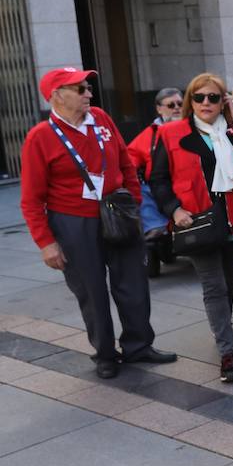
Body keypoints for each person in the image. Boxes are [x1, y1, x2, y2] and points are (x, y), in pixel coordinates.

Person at [20, 67, 177, 379]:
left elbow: (124, 162)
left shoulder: (101, 119)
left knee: (133, 283)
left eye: (87, 87)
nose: (89, 93)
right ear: (56, 96)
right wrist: (46, 242)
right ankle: (105, 354)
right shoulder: (40, 137)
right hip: (73, 222)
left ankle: (138, 345)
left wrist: (133, 203)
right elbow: (31, 199)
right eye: (79, 89)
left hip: (117, 211)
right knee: (91, 291)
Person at [151, 73, 233, 383]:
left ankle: (223, 331)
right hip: (198, 223)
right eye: (199, 97)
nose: (206, 103)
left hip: (232, 220)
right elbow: (158, 179)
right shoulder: (172, 133)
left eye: (214, 97)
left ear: (223, 101)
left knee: (228, 281)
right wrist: (174, 209)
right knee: (214, 286)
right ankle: (228, 351)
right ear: (191, 101)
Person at [128, 87, 182, 277]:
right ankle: (155, 228)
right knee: (141, 189)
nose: (176, 108)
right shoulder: (150, 134)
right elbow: (131, 156)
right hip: (159, 185)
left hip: (187, 181)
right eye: (171, 105)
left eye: (180, 104)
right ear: (159, 109)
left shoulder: (192, 125)